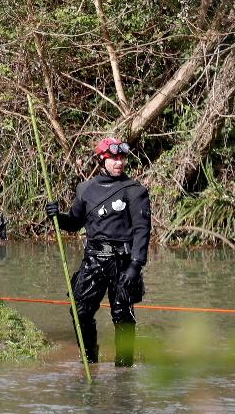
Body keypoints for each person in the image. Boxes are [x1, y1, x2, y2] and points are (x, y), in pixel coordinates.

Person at [46, 137, 150, 366]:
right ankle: (90, 360)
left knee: (123, 317)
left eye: (122, 158)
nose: (119, 162)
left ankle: (124, 368)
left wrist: (135, 266)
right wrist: (57, 216)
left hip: (123, 262)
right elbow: (74, 223)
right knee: (79, 311)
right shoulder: (85, 189)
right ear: (102, 160)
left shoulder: (135, 191)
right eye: (113, 158)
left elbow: (142, 231)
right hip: (93, 260)